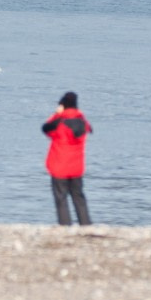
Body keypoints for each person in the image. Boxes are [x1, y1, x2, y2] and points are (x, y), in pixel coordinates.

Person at [42, 92, 93, 226]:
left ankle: (65, 226)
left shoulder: (59, 122)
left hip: (59, 167)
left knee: (61, 199)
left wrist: (57, 114)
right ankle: (86, 225)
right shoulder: (83, 122)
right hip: (76, 168)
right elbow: (88, 127)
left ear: (63, 106)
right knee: (79, 198)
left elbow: (46, 128)